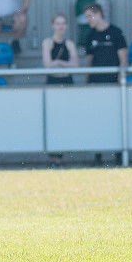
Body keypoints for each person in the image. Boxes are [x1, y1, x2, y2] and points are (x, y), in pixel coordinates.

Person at [42, 13, 79, 166]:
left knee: (65, 117)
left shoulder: (69, 44)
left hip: (67, 81)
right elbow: (48, 64)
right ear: (53, 26)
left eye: (63, 23)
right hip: (53, 81)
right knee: (53, 118)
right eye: (58, 23)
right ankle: (53, 156)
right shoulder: (47, 42)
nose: (60, 27)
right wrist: (64, 63)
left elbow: (75, 64)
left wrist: (59, 62)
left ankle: (62, 155)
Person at [82, 2, 127, 83]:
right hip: (95, 81)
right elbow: (89, 60)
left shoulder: (116, 32)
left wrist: (121, 79)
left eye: (89, 16)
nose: (87, 20)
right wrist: (86, 81)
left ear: (98, 14)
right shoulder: (90, 35)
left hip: (113, 81)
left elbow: (123, 59)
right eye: (86, 17)